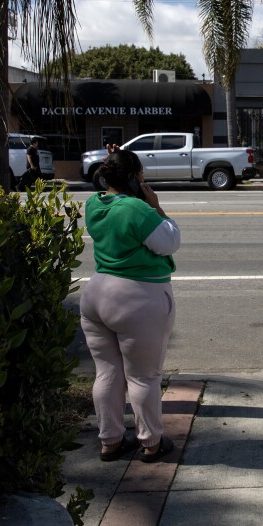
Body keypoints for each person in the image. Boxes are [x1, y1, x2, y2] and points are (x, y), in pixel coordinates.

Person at [80, 149, 181, 463]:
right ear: (132, 180)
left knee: (106, 372)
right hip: (138, 298)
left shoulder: (94, 203)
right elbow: (169, 242)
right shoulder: (138, 209)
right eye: (141, 177)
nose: (145, 182)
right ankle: (150, 442)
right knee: (143, 377)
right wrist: (157, 208)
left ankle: (110, 440)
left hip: (97, 295)